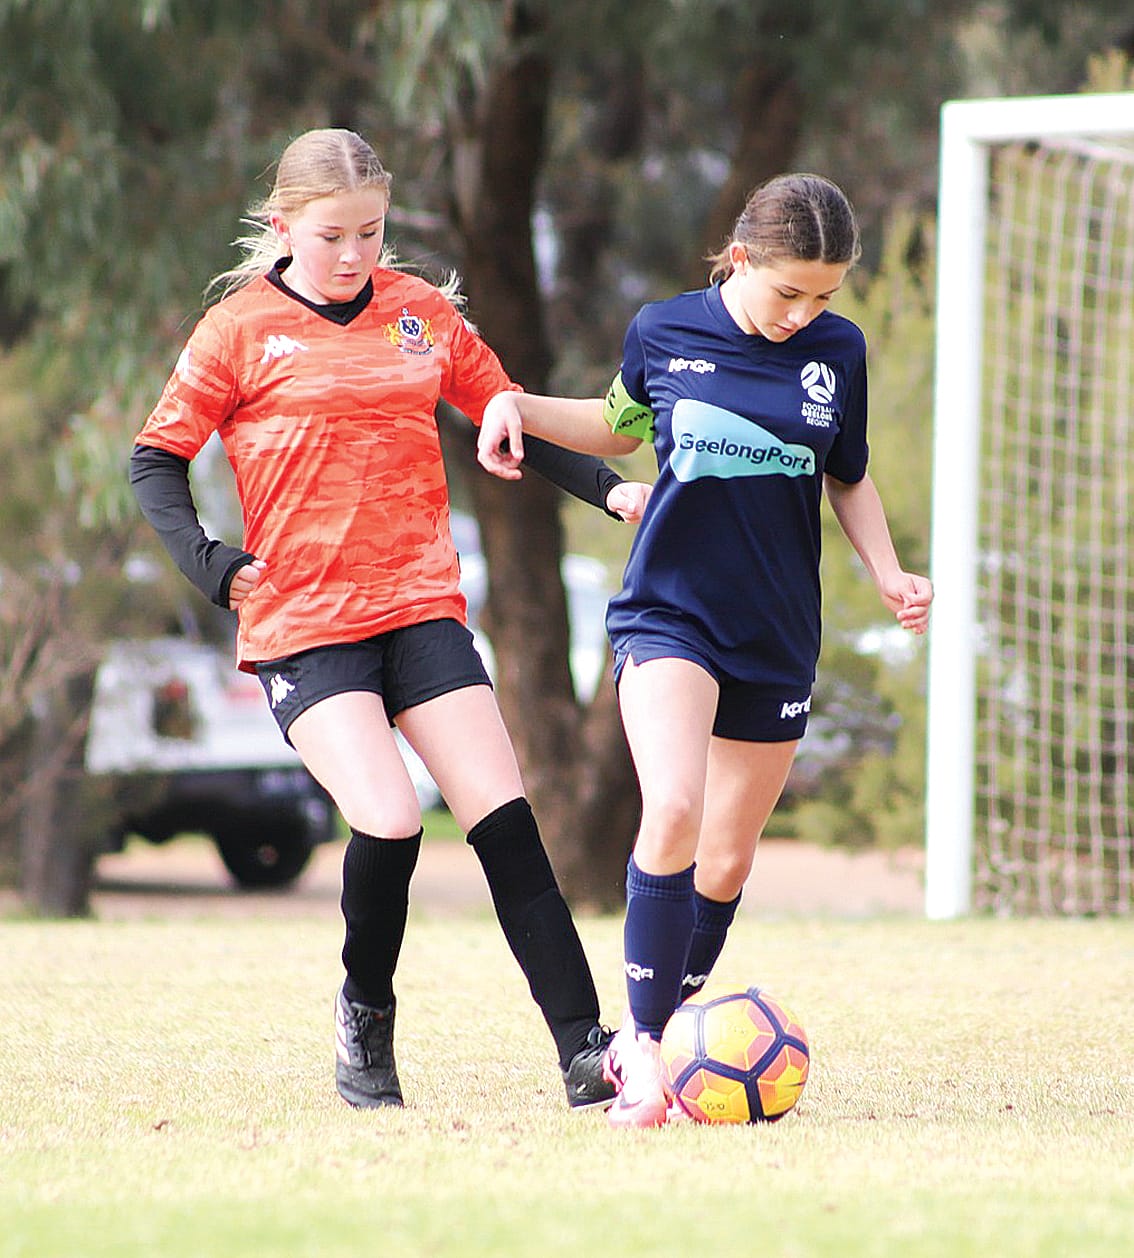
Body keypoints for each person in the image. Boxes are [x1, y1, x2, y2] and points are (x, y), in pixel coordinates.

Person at [129, 127, 651, 1112]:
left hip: (420, 602)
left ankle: (587, 1050)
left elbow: (506, 410)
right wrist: (211, 562)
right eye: (332, 235)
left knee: (504, 818)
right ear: (282, 226)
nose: (356, 253)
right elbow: (154, 460)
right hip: (303, 620)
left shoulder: (417, 314)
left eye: (372, 231)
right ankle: (364, 1017)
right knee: (391, 818)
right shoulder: (238, 329)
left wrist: (612, 492)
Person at [476, 173, 934, 1127]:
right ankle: (640, 1057)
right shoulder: (665, 329)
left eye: (825, 296)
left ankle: (682, 1034)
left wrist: (891, 572)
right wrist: (516, 402)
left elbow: (846, 476)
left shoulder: (836, 352)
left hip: (777, 630)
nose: (803, 314)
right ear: (739, 259)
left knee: (726, 857)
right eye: (787, 292)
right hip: (669, 611)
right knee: (674, 806)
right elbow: (615, 423)